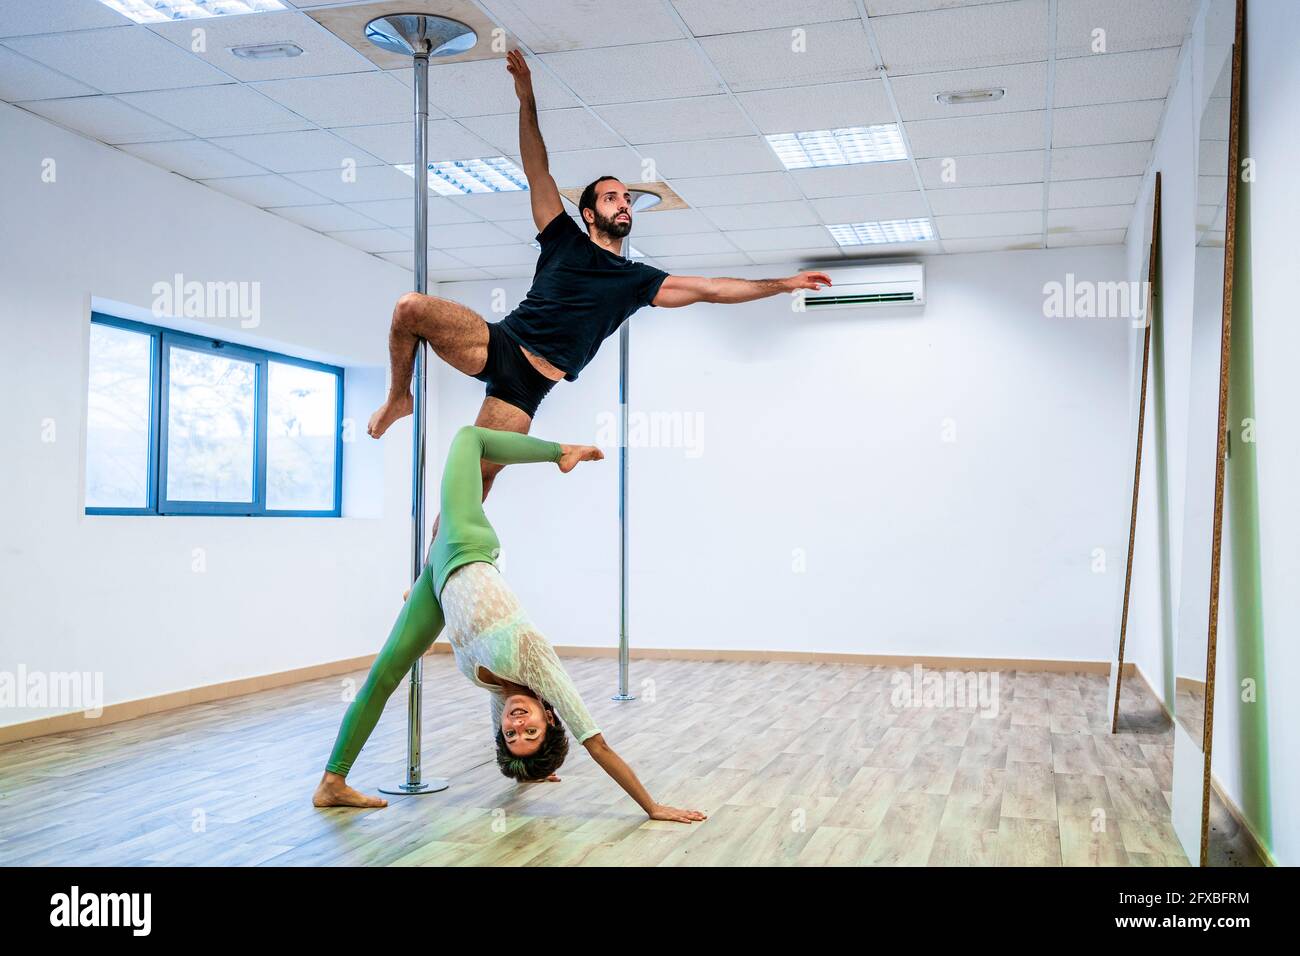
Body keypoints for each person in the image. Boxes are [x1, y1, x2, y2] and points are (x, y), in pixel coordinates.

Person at [366, 48, 831, 521]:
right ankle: (399, 397)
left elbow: (712, 288)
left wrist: (782, 284)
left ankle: (432, 574)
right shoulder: (562, 236)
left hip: (527, 387)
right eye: (613, 198)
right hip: (500, 343)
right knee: (410, 308)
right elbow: (536, 169)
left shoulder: (637, 281)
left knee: (477, 477)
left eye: (627, 199)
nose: (624, 204)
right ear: (589, 213)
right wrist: (526, 98)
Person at [313, 425, 707, 825]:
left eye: (512, 735)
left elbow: (514, 746)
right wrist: (653, 807)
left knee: (382, 677)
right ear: (550, 719)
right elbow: (598, 745)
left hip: (436, 587)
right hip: (467, 544)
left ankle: (332, 782)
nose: (516, 725)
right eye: (530, 732)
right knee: (469, 438)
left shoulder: (502, 696)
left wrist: (532, 770)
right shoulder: (538, 664)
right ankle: (562, 450)